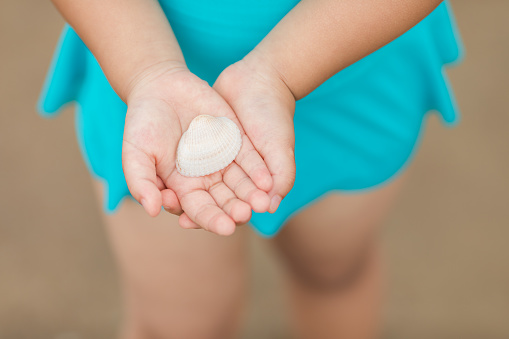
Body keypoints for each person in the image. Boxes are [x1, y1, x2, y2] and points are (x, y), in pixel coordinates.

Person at [39, 0, 463, 338]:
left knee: (334, 272)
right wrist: (148, 70)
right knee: (177, 325)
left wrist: (281, 72)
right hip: (136, 68)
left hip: (351, 77)